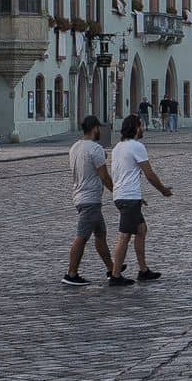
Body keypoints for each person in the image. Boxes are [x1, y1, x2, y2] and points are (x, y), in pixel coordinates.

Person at [63, 115, 128, 287]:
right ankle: (71, 273)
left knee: (100, 235)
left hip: (80, 195)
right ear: (94, 129)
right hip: (90, 199)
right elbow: (104, 175)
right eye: (99, 128)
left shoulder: (75, 147)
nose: (100, 131)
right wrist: (117, 191)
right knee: (82, 236)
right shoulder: (95, 149)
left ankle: (112, 269)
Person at [109, 114, 173, 282]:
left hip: (123, 195)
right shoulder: (137, 146)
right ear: (136, 128)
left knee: (141, 229)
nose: (143, 128)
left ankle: (143, 270)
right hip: (128, 197)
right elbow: (149, 174)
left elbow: (120, 173)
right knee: (124, 236)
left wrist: (137, 196)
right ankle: (115, 275)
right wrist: (163, 190)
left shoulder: (117, 147)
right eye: (142, 125)